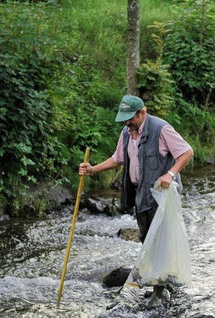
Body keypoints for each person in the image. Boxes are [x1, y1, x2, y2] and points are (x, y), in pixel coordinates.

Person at [79, 95, 194, 306]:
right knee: (146, 240)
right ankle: (159, 284)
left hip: (161, 196)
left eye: (130, 118)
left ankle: (160, 291)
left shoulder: (161, 129)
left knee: (158, 241)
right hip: (140, 196)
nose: (126, 123)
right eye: (124, 119)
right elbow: (117, 158)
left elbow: (186, 152)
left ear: (142, 112)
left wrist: (170, 173)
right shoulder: (126, 132)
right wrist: (93, 170)